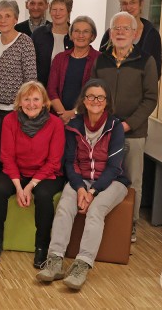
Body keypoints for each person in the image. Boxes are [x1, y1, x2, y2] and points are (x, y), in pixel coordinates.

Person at [37, 79, 130, 291]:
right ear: (84, 100)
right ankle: (55, 261)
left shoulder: (115, 127)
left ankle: (82, 265)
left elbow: (115, 167)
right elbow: (70, 162)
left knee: (95, 211)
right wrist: (80, 188)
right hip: (81, 179)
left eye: (100, 97)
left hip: (113, 182)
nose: (95, 101)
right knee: (64, 207)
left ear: (106, 102)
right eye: (90, 96)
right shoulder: (74, 125)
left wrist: (92, 192)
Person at [91, 11, 157, 242]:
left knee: (133, 181)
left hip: (133, 133)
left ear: (135, 33)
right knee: (102, 176)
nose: (120, 32)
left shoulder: (146, 61)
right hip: (103, 132)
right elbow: (92, 93)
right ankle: (104, 222)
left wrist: (128, 125)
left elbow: (150, 99)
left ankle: (131, 225)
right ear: (110, 32)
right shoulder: (100, 59)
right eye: (116, 28)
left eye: (125, 29)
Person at [0, 81, 65, 268]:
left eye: (36, 99)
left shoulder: (55, 124)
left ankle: (41, 248)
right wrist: (18, 186)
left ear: (45, 102)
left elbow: (54, 162)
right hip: (17, 171)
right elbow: (7, 157)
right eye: (26, 99)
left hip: (46, 174)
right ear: (19, 102)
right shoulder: (10, 120)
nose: (31, 104)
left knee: (44, 196)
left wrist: (29, 187)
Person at [0, 0, 37, 118]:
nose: (3, 20)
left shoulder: (25, 42)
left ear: (15, 19)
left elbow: (30, 80)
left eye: (8, 16)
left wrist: (25, 107)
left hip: (14, 110)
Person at [99, 0, 162, 78]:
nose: (128, 7)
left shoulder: (152, 35)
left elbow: (156, 71)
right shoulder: (111, 32)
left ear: (141, 4)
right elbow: (101, 63)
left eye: (133, 2)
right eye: (124, 3)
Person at [48, 16, 100, 124]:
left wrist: (74, 112)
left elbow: (98, 92)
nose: (81, 35)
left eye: (85, 31)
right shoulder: (59, 58)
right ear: (71, 35)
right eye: (76, 31)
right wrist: (63, 114)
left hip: (87, 119)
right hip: (58, 119)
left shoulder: (99, 59)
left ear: (92, 36)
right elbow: (51, 90)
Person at [32, 0, 74, 86]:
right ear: (50, 11)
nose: (57, 13)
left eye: (61, 10)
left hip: (68, 89)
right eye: (54, 10)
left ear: (69, 11)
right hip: (41, 90)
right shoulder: (38, 34)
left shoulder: (76, 35)